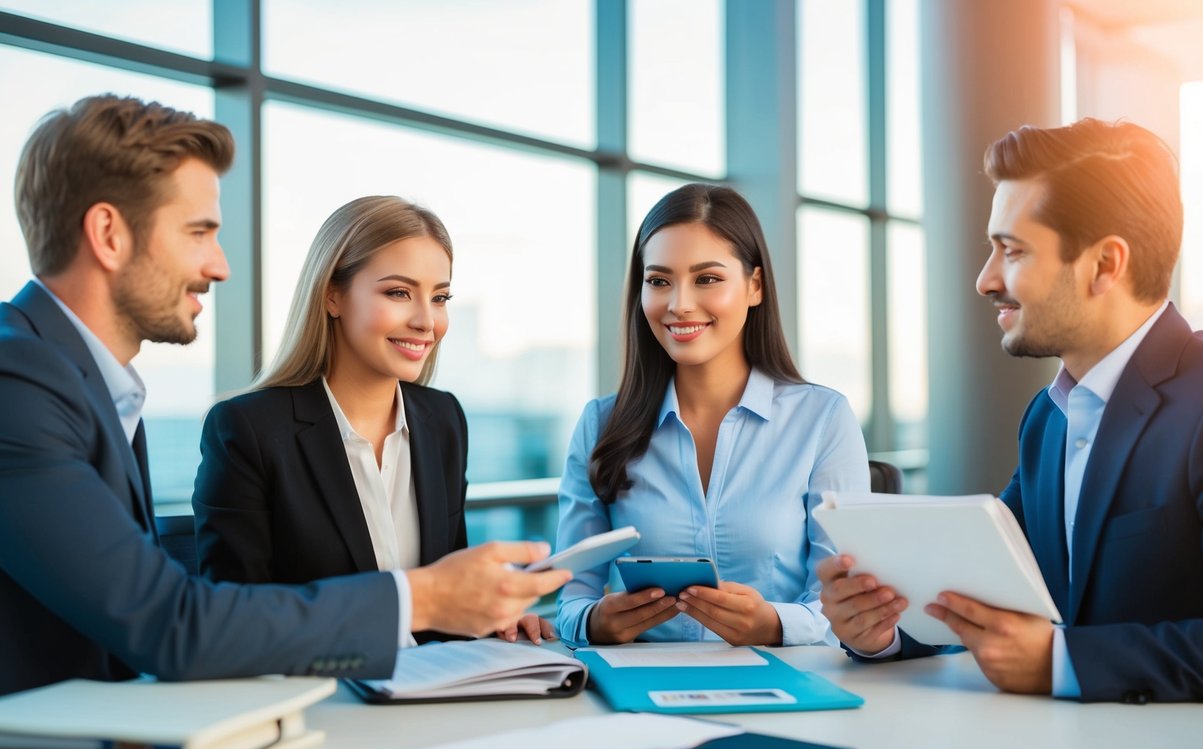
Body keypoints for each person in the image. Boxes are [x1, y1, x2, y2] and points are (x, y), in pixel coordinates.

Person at [0, 94, 569, 696]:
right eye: (198, 232)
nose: (219, 267)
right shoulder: (20, 383)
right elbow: (171, 624)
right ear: (109, 234)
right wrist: (425, 596)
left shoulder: (91, 387)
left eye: (440, 296)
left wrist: (478, 610)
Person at [818, 118, 1203, 709]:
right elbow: (986, 585)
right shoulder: (1048, 417)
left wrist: (1061, 660)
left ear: (1106, 264)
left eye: (1014, 250)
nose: (986, 279)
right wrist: (884, 627)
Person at [194, 195, 549, 643]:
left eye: (439, 297)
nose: (427, 321)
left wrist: (493, 618)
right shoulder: (247, 429)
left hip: (439, 693)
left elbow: (448, 600)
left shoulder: (443, 420)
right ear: (332, 295)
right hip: (326, 698)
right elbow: (233, 622)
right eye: (399, 292)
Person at [555, 184, 869, 647]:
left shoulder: (822, 419)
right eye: (659, 281)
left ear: (755, 286)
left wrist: (775, 625)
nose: (679, 303)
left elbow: (847, 604)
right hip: (643, 690)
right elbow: (570, 597)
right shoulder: (601, 423)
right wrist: (596, 622)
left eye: (707, 279)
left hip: (788, 682)